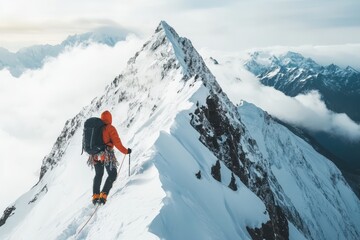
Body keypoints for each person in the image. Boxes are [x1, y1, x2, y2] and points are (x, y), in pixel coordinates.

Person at [89, 110, 131, 205]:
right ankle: (103, 195)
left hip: (95, 155)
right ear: (110, 119)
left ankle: (95, 196)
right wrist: (126, 151)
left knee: (98, 174)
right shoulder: (110, 128)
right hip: (106, 155)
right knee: (112, 174)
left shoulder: (96, 129)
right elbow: (117, 143)